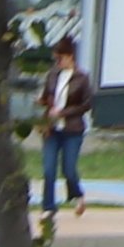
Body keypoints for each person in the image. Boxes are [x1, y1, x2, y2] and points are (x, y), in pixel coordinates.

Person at [35, 36, 88, 227]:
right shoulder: (52, 75)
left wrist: (64, 112)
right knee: (49, 168)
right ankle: (48, 207)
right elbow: (45, 96)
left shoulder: (81, 78)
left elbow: (86, 104)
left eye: (61, 58)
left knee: (69, 169)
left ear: (70, 56)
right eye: (56, 59)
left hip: (72, 130)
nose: (58, 62)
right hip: (52, 129)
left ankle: (77, 194)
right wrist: (41, 104)